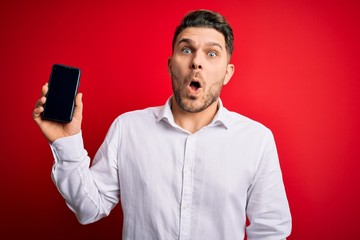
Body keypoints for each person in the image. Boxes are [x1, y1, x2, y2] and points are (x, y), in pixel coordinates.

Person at [33, 9, 291, 240]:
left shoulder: (256, 140)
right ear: (171, 66)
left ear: (227, 73)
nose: (197, 62)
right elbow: (89, 209)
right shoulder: (128, 128)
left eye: (212, 53)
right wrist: (65, 142)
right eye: (186, 49)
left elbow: (271, 230)